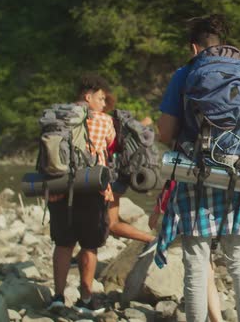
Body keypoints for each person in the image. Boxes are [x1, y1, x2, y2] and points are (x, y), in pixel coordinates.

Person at [154, 14, 240, 322]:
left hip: (196, 171)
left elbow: (164, 132)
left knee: (197, 260)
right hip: (238, 174)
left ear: (194, 46)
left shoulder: (186, 72)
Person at [47, 74, 115, 316]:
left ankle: (57, 297)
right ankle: (85, 299)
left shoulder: (54, 115)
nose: (104, 104)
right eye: (100, 98)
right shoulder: (104, 120)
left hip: (58, 188)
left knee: (63, 244)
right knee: (89, 246)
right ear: (88, 97)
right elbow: (111, 145)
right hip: (91, 188)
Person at [103, 91, 157, 256]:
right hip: (123, 174)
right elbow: (148, 121)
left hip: (111, 177)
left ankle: (151, 240)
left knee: (111, 223)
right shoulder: (122, 122)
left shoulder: (102, 122)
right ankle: (83, 255)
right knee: (104, 220)